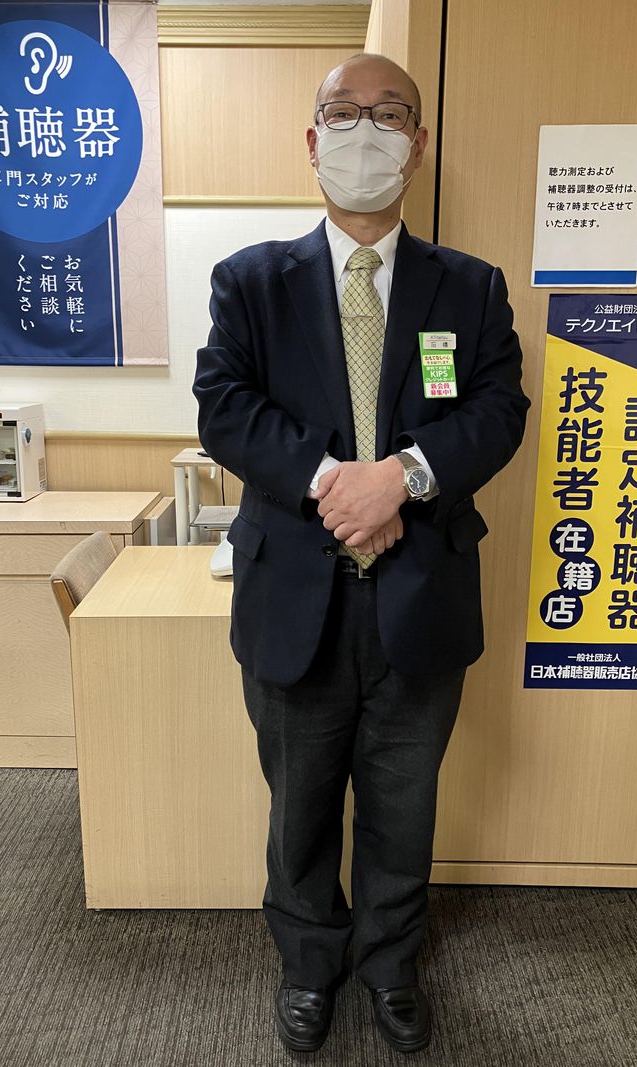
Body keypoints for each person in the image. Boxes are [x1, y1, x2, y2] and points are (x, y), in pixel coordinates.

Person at [193, 52, 529, 1054]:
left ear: (417, 146)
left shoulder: (470, 288)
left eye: (390, 114)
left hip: (420, 596)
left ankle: (388, 964)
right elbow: (224, 407)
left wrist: (407, 477)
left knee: (402, 804)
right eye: (343, 113)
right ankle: (308, 962)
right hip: (294, 597)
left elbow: (498, 410)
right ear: (312, 141)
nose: (365, 132)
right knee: (298, 806)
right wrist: (340, 483)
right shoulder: (250, 282)